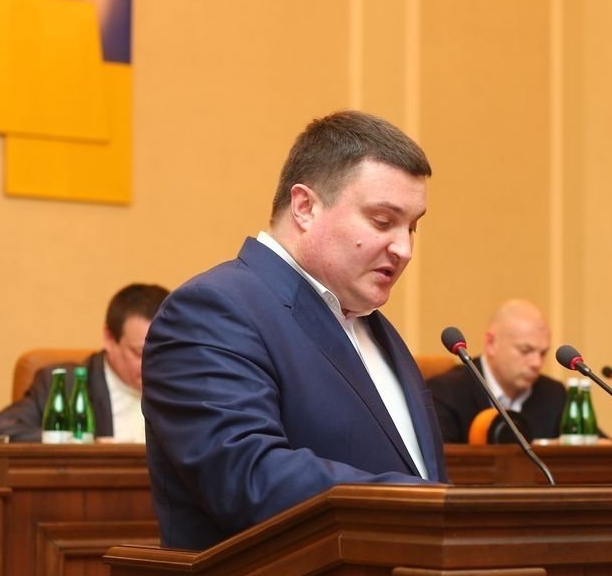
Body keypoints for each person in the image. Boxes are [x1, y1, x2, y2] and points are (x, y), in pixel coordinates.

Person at [142, 110, 447, 551]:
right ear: (305, 207)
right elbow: (248, 475)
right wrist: (428, 502)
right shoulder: (212, 309)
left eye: (413, 227)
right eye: (383, 221)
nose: (405, 248)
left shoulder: (375, 327)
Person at [0, 283, 169, 443]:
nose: (154, 365)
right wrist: (81, 443)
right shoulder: (66, 384)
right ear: (109, 339)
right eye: (140, 353)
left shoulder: (182, 383)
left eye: (164, 353)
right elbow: (0, 429)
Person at [428, 299, 566, 443]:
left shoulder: (555, 395)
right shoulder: (445, 393)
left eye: (543, 353)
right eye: (525, 350)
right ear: (491, 343)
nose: (537, 363)